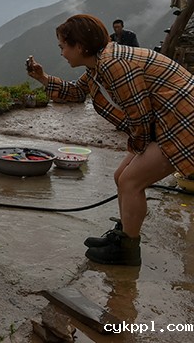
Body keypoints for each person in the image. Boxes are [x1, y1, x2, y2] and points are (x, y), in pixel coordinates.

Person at [26, 14, 194, 266]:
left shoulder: (113, 65)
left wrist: (138, 149)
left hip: (182, 122)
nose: (61, 53)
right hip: (166, 122)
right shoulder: (99, 63)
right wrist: (42, 77)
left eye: (63, 46)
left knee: (130, 181)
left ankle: (127, 250)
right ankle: (124, 235)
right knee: (121, 176)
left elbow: (138, 115)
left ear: (80, 46)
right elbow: (76, 91)